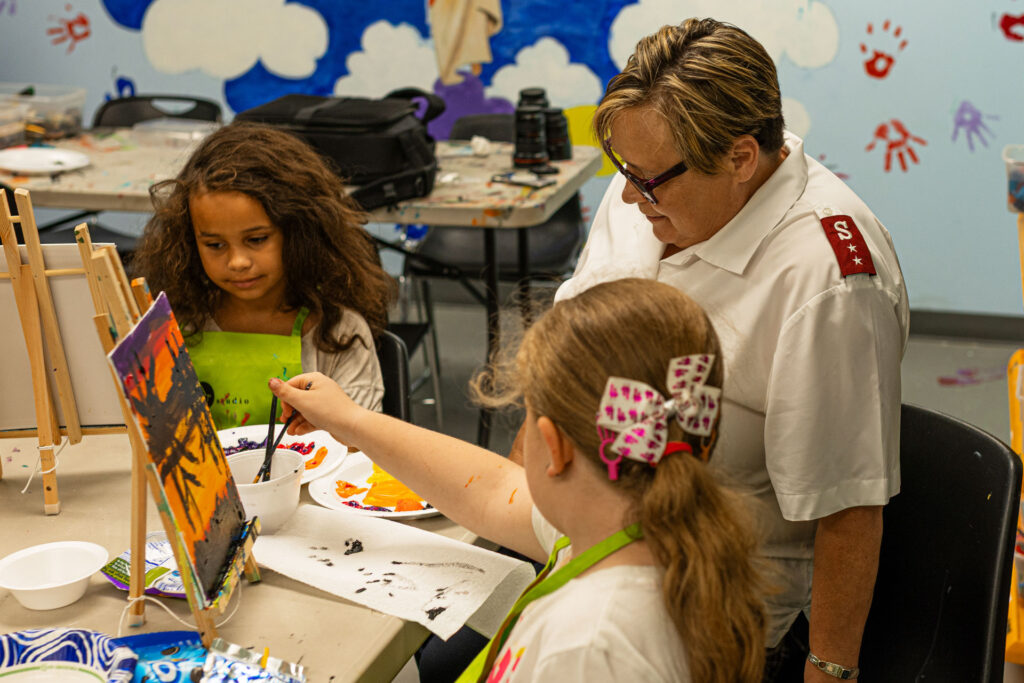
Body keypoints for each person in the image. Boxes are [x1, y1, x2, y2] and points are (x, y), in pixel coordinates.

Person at [526, 17, 909, 682]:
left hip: (714, 610)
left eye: (648, 181)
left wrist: (828, 671)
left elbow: (849, 507)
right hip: (586, 550)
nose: (624, 196)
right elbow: (564, 363)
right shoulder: (649, 192)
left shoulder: (828, 280)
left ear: (739, 158)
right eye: (622, 168)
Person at [270, 278, 768, 683]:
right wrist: (350, 420)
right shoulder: (632, 528)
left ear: (550, 445)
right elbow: (489, 488)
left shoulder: (591, 645)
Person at [133, 122, 395, 429]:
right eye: (215, 245)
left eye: (256, 240)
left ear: (298, 233)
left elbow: (362, 447)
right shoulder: (176, 325)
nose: (238, 262)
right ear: (191, 243)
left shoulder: (339, 334)